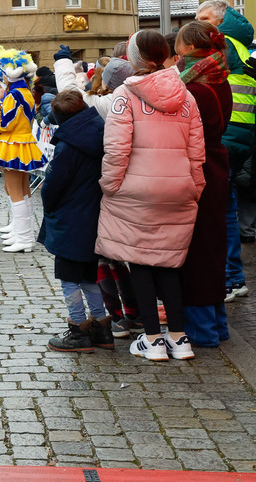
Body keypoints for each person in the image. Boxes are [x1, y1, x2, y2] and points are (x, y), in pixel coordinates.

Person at [96, 30, 206, 362]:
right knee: (169, 263)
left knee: (141, 262)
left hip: (135, 190)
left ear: (134, 58)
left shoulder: (124, 96)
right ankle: (179, 336)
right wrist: (194, 187)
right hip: (178, 188)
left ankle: (153, 339)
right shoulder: (186, 96)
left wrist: (110, 185)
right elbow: (196, 151)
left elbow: (116, 149)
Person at [41, 90, 113, 352]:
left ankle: (79, 330)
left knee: (69, 276)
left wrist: (49, 207)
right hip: (94, 213)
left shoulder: (67, 144)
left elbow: (53, 185)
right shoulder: (102, 130)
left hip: (70, 217)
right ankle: (101, 327)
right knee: (89, 275)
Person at [174, 21, 232, 347]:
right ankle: (217, 325)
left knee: (197, 250)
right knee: (212, 246)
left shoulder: (195, 87)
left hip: (201, 170)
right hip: (216, 166)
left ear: (190, 47)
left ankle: (202, 330)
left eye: (179, 46)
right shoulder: (217, 76)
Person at [196, 0, 253, 301]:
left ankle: (230, 278)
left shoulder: (220, 45)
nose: (198, 22)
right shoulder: (243, 46)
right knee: (228, 207)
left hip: (225, 133)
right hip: (242, 133)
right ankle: (234, 276)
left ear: (219, 20)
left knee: (222, 211)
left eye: (203, 17)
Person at [0, 48, 46, 252]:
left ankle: (24, 238)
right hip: (23, 142)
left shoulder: (13, 95)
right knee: (22, 188)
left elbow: (7, 124)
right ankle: (22, 233)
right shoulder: (26, 92)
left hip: (13, 143)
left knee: (15, 190)